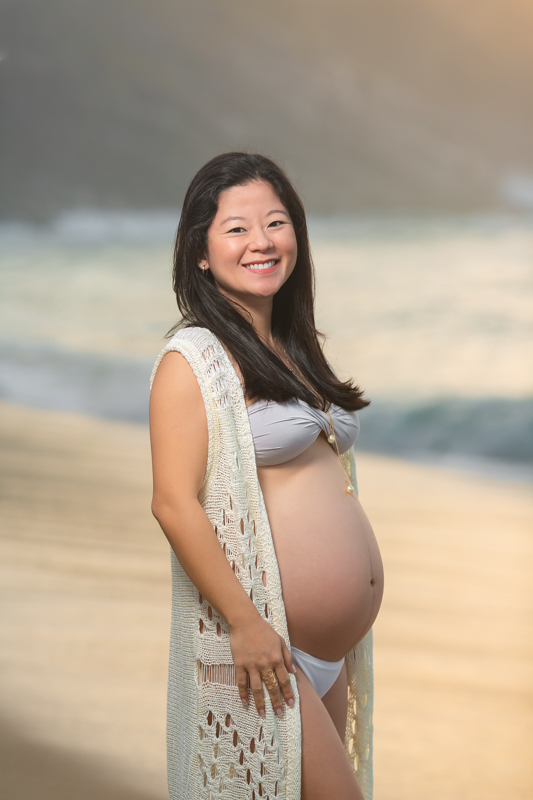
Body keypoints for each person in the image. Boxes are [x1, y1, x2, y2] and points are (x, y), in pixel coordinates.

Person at [149, 152, 384, 800]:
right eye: (236, 228)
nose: (261, 241)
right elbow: (173, 504)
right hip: (262, 646)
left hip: (324, 654)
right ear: (200, 251)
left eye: (276, 222)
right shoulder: (192, 358)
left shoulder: (294, 345)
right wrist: (247, 624)